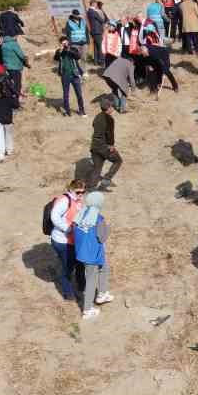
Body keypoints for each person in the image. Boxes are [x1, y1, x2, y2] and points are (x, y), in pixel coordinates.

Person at [73, 191, 113, 319]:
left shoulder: (80, 214)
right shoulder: (98, 219)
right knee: (90, 281)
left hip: (82, 253)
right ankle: (87, 310)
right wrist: (109, 228)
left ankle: (102, 293)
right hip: (92, 255)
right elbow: (102, 238)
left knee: (105, 268)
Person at [88, 98, 123, 188]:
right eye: (112, 106)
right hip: (104, 146)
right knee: (118, 160)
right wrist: (111, 145)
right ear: (109, 108)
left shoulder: (97, 117)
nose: (113, 108)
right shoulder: (109, 119)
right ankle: (106, 179)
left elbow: (94, 126)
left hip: (94, 146)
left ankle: (91, 188)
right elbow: (110, 134)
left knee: (97, 168)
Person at [55, 39, 85, 116]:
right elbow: (56, 58)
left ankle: (82, 110)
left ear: (68, 42)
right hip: (65, 75)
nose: (64, 44)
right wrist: (60, 51)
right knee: (66, 94)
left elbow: (78, 56)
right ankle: (67, 111)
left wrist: (68, 50)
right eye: (63, 43)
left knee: (79, 93)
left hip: (75, 74)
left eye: (65, 42)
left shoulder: (73, 49)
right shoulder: (60, 51)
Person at [0, 34, 28, 99]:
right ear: (13, 36)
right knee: (17, 83)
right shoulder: (14, 44)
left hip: (7, 67)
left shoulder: (3, 45)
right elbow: (21, 55)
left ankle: (9, 95)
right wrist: (25, 60)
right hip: (15, 67)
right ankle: (16, 98)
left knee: (9, 82)